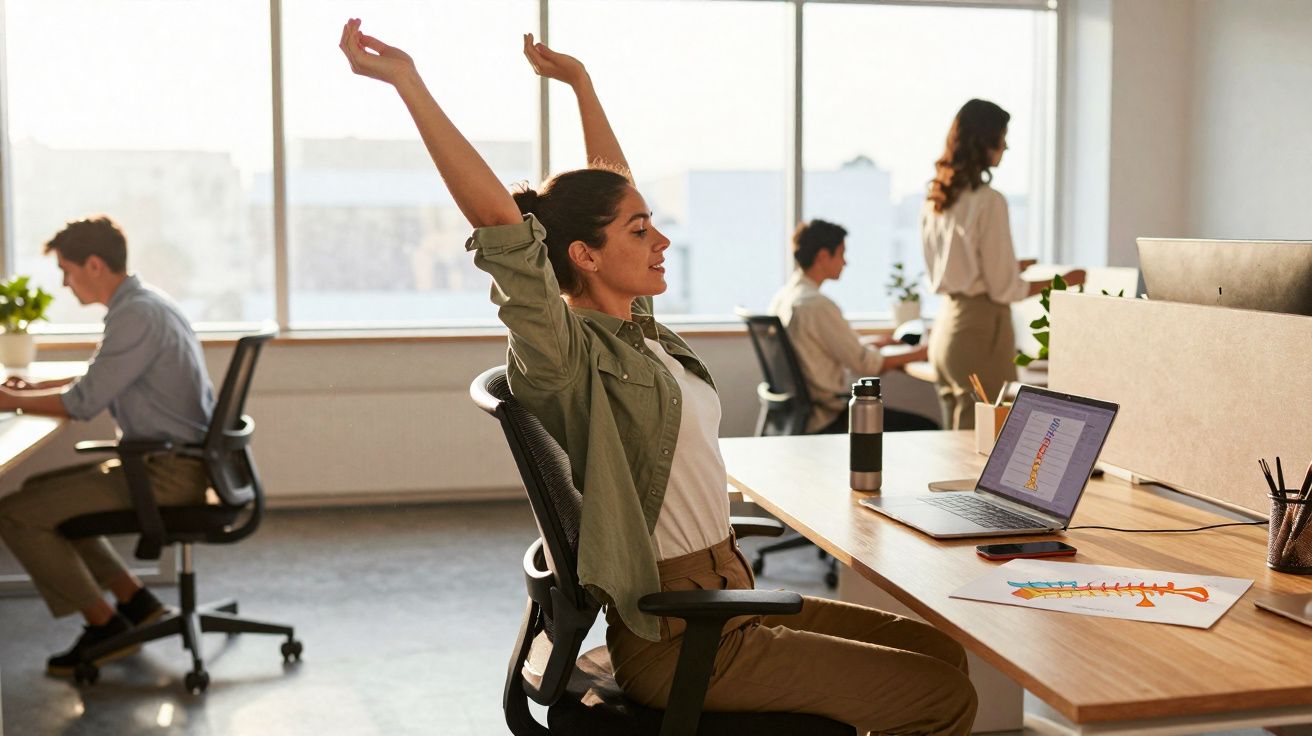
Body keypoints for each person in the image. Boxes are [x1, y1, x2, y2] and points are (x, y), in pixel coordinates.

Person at [340, 19, 976, 733]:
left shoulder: (638, 331)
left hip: (723, 598)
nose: (662, 239)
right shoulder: (567, 356)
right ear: (583, 256)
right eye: (640, 232)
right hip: (679, 638)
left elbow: (615, 190)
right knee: (941, 697)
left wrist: (582, 85)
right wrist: (409, 85)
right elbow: (500, 226)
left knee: (942, 655)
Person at [0, 216, 214, 677]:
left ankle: (106, 625)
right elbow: (99, 379)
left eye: (67, 270)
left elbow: (84, 401)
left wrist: (9, 398)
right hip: (175, 462)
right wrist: (28, 389)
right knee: (40, 488)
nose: (64, 283)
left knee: (15, 512)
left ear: (94, 265)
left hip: (166, 474)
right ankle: (134, 600)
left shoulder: (134, 314)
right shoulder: (144, 303)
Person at [920, 99, 1085, 430]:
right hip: (981, 332)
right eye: (1002, 136)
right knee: (987, 440)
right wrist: (1063, 280)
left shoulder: (937, 198)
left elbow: (958, 265)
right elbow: (1003, 288)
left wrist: (1012, 265)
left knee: (955, 445)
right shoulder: (988, 200)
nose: (1006, 146)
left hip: (947, 330)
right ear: (986, 140)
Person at [770, 218, 935, 434]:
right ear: (822, 256)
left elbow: (819, 348)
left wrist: (872, 343)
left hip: (797, 415)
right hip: (826, 417)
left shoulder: (786, 297)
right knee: (928, 428)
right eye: (841, 254)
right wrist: (924, 352)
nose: (845, 262)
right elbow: (865, 365)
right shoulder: (817, 306)